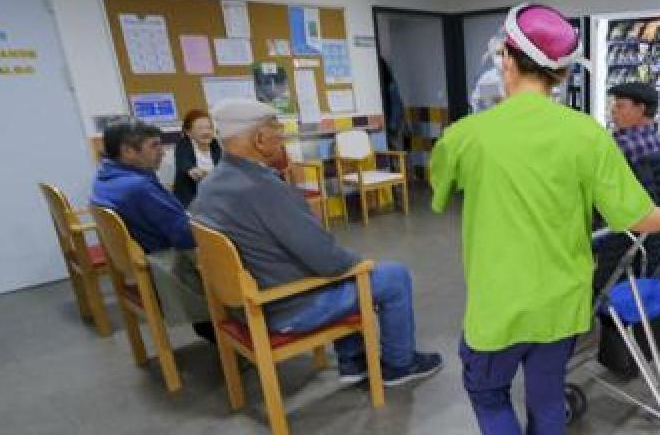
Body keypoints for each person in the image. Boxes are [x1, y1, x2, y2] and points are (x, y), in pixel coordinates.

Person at [431, 3, 660, 435]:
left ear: (506, 61)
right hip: (564, 301)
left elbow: (441, 188)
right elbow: (635, 214)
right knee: (546, 398)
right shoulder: (588, 135)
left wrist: (479, 119)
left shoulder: (467, 136)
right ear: (562, 73)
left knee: (488, 393)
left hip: (501, 305)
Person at [191, 99, 442, 386]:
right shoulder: (264, 189)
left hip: (241, 305)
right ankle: (401, 364)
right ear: (259, 139)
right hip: (285, 308)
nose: (282, 137)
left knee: (339, 273)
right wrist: (359, 264)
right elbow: (327, 259)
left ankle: (353, 361)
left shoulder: (210, 185)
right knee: (391, 276)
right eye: (277, 130)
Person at [90, 118, 212, 340]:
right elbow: (186, 236)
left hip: (141, 262)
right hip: (165, 265)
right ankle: (227, 331)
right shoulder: (139, 187)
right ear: (128, 151)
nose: (162, 153)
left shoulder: (105, 178)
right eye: (154, 146)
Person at [608, 81, 660, 164]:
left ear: (641, 109)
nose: (613, 110)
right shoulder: (659, 140)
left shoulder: (622, 144)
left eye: (620, 106)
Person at [172, 109, 221, 207]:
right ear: (188, 132)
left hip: (216, 200)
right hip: (191, 202)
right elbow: (185, 163)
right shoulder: (183, 145)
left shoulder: (215, 144)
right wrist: (193, 170)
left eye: (209, 128)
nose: (206, 132)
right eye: (200, 128)